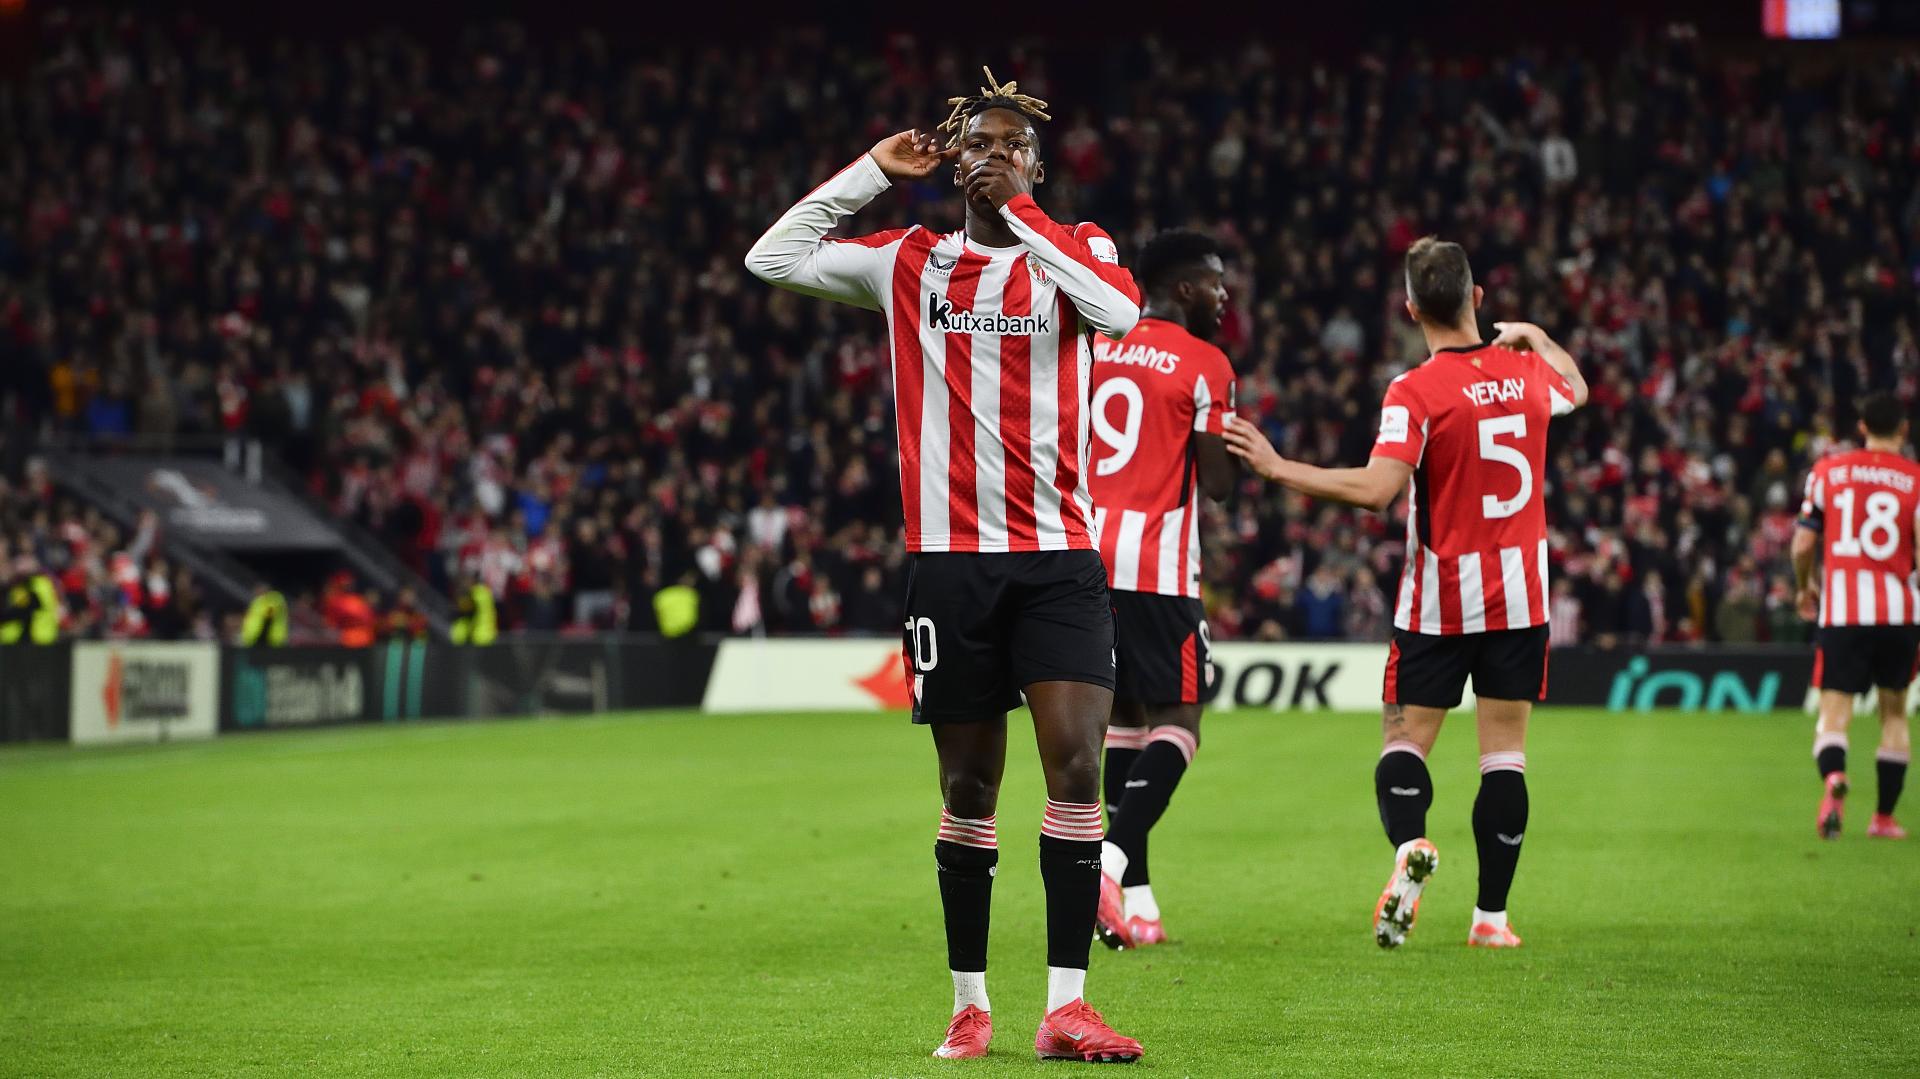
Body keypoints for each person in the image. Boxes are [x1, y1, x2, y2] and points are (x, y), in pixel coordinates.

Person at [745, 67, 1144, 1062]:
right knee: (969, 789)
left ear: (1039, 166)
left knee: (1079, 765)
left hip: (1057, 558)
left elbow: (1123, 318)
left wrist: (1029, 214)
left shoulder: (1077, 250)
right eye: (981, 144)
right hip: (948, 563)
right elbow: (771, 255)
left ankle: (1066, 1004)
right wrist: (873, 171)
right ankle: (971, 1001)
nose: (995, 153)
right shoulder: (909, 261)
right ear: (954, 163)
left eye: (1015, 144)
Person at [1225, 236, 1588, 950]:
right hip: (1520, 598)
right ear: (1478, 299)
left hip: (1441, 599)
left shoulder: (1415, 390)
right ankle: (1490, 918)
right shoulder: (1526, 373)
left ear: (1411, 306)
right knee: (1505, 754)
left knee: (1405, 742)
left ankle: (1410, 847)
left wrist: (1277, 468)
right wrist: (1536, 335)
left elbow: (1378, 490)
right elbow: (1575, 385)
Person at [1084, 228, 1236, 950]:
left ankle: (1138, 905)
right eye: (1214, 283)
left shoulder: (1096, 346)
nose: (1223, 296)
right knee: (1181, 719)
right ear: (1182, 289)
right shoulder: (1205, 362)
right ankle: (1109, 864)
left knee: (1124, 718)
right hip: (1157, 563)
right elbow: (1224, 484)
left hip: (1082, 556)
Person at [1790, 392, 1917, 840]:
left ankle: (1833, 777)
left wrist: (1805, 584)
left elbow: (1804, 544)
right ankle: (1883, 817)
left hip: (1843, 612)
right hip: (1899, 613)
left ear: (1861, 427)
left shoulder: (1829, 471)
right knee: (1895, 715)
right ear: (1903, 430)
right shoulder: (1915, 479)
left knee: (1834, 712)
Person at [450, 572, 498, 645]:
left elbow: (467, 609)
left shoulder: (473, 594)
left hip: (478, 637)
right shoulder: (484, 592)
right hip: (488, 635)